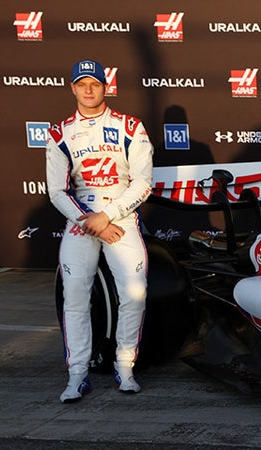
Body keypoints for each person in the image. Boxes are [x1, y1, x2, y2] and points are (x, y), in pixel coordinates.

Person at [47, 59, 153, 402]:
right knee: (75, 298)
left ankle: (125, 367)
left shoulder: (130, 126)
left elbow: (142, 183)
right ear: (73, 88)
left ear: (106, 87)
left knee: (134, 294)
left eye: (95, 83)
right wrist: (91, 223)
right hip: (81, 220)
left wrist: (107, 216)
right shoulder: (59, 132)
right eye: (82, 84)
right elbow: (56, 191)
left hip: (120, 215)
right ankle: (78, 374)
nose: (88, 90)